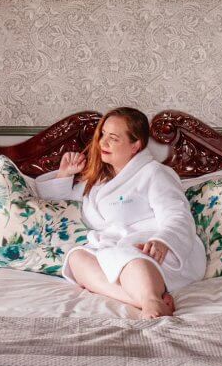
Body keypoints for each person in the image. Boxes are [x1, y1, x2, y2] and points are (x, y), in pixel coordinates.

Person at [36, 107, 206, 318]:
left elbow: (177, 214)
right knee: (76, 258)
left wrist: (163, 240)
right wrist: (64, 174)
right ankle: (146, 300)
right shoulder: (98, 180)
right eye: (103, 135)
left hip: (152, 250)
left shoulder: (154, 173)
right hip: (113, 250)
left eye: (113, 138)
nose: (102, 143)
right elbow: (54, 208)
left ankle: (151, 301)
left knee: (131, 259)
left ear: (136, 145)